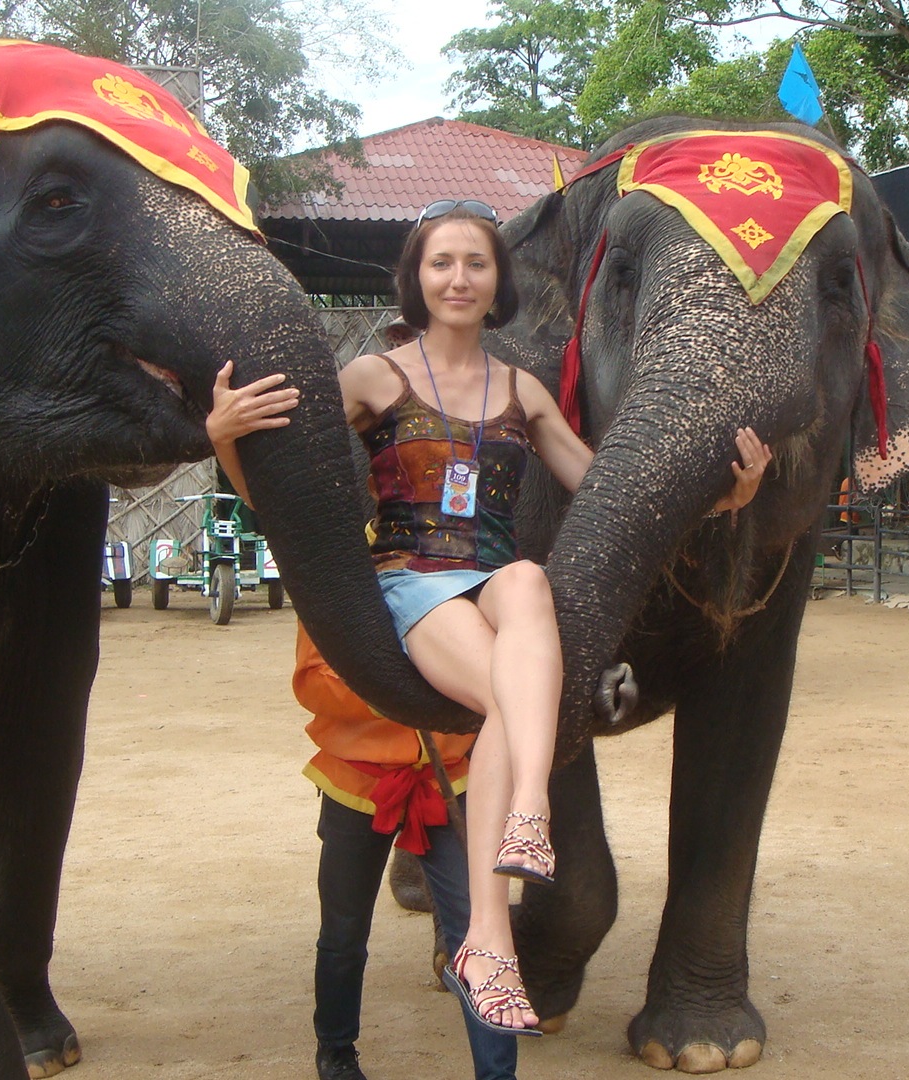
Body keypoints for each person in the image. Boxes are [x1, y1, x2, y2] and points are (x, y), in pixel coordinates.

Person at [208, 199, 774, 1037]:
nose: (459, 278)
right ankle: (494, 919)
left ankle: (510, 858)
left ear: (498, 280)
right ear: (417, 279)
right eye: (441, 262)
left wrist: (727, 498)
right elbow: (289, 494)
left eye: (476, 262)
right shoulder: (372, 378)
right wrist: (224, 439)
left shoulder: (522, 391)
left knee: (528, 580)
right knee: (516, 697)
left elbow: (610, 495)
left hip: (493, 584)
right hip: (412, 582)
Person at [293, 626, 516, 1080]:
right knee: (344, 931)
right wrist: (391, 692)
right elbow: (311, 679)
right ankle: (336, 1049)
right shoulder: (336, 587)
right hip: (357, 783)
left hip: (446, 779)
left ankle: (498, 1074)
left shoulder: (452, 587)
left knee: (479, 930)